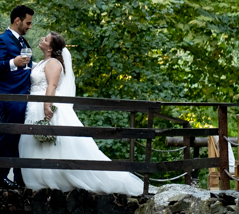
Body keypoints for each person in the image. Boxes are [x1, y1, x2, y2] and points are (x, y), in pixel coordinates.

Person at [18, 32, 144, 195]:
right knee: (37, 145)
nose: (41, 39)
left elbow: (52, 85)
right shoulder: (42, 62)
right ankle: (42, 180)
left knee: (52, 145)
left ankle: (56, 179)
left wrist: (46, 105)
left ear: (51, 47)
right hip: (33, 107)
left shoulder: (53, 63)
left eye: (46, 39)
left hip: (43, 105)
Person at [0, 4, 34, 189]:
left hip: (24, 95)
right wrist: (12, 62)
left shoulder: (23, 42)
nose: (30, 26)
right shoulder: (1, 40)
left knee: (18, 138)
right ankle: (1, 178)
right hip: (10, 95)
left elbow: (27, 66)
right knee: (8, 135)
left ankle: (17, 177)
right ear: (17, 20)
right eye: (28, 23)